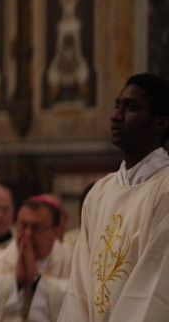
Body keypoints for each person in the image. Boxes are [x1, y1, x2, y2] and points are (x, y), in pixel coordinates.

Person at [57, 73, 169, 321]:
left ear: (161, 123)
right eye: (117, 105)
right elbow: (79, 287)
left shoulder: (165, 190)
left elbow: (155, 290)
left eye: (130, 107)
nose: (116, 115)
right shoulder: (99, 193)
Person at [0, 196, 72, 321]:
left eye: (36, 228)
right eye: (23, 226)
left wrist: (37, 282)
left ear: (54, 232)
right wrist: (15, 281)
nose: (28, 234)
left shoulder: (70, 263)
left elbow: (79, 303)